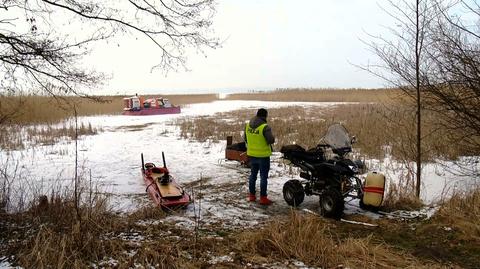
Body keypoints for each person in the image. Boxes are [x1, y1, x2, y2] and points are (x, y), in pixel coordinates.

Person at [244, 108, 275, 205]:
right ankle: (263, 198)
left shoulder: (248, 125)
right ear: (265, 116)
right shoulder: (265, 127)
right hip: (263, 156)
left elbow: (245, 138)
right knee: (263, 177)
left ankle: (252, 196)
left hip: (252, 155)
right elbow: (271, 140)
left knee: (253, 176)